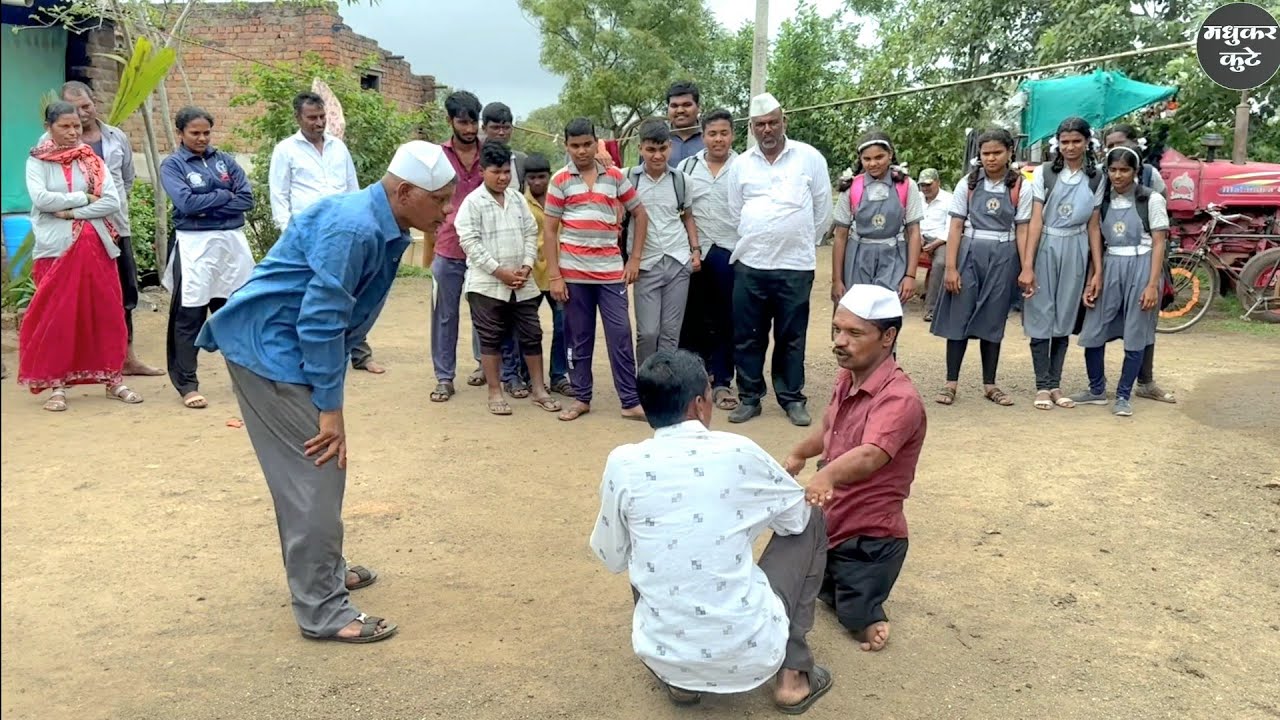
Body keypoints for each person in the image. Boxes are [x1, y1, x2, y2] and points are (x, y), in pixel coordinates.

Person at [195, 141, 457, 643]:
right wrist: (330, 409)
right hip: (272, 349)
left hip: (284, 345)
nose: (446, 211)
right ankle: (324, 610)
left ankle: (324, 572)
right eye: (441, 200)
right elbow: (319, 322)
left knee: (315, 475)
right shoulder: (354, 226)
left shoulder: (380, 219)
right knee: (314, 474)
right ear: (405, 192)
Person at [589, 349, 834, 714]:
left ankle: (681, 682)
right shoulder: (737, 450)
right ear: (700, 404)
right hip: (751, 650)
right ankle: (794, 675)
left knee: (644, 545)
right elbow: (795, 520)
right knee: (811, 517)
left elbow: (611, 556)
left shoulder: (623, 463)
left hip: (663, 657)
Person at [784, 284, 926, 653]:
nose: (840, 341)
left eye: (854, 333)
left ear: (888, 337)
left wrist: (826, 474)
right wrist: (800, 453)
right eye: (837, 330)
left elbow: (870, 455)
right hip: (833, 519)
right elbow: (830, 429)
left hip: (870, 535)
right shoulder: (846, 377)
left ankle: (871, 619)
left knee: (854, 612)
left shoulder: (900, 398)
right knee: (815, 589)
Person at [18, 101, 141, 410]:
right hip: (55, 249)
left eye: (76, 127)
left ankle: (112, 379)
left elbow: (112, 201)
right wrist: (86, 197)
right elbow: (42, 199)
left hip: (97, 248)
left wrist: (72, 212)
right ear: (49, 128)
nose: (73, 132)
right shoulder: (38, 162)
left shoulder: (92, 160)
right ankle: (57, 384)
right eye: (65, 127)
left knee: (106, 314)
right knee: (57, 316)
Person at [725, 92, 831, 426]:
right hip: (751, 264)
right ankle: (749, 397)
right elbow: (734, 212)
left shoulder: (809, 158)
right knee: (748, 335)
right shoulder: (740, 164)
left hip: (796, 267)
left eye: (773, 122)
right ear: (752, 128)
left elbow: (823, 209)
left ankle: (791, 398)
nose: (767, 129)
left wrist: (800, 243)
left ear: (784, 121)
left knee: (791, 336)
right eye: (760, 124)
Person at [269, 91, 384, 375]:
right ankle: (305, 356)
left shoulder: (338, 148)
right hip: (305, 235)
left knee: (350, 291)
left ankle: (359, 352)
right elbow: (279, 195)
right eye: (312, 118)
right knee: (307, 294)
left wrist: (360, 223)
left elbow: (352, 188)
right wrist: (289, 233)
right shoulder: (286, 150)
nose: (319, 123)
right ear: (298, 118)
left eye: (322, 117)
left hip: (342, 233)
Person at [544, 118, 649, 422]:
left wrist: (634, 259)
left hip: (610, 272)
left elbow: (640, 215)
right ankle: (581, 397)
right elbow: (550, 231)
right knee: (579, 337)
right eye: (575, 145)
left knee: (620, 334)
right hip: (573, 274)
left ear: (596, 142)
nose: (581, 151)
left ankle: (629, 401)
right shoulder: (560, 180)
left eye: (587, 144)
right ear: (567, 146)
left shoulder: (615, 176)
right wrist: (555, 276)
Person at [59, 81, 163, 377]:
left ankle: (127, 358)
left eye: (86, 106)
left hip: (117, 228)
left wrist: (110, 207)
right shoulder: (58, 144)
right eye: (75, 109)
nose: (82, 113)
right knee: (78, 295)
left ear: (95, 102)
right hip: (75, 231)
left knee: (125, 293)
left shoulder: (116, 137)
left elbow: (126, 179)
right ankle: (80, 363)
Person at [454, 140, 560, 416]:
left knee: (532, 334)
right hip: (487, 283)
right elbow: (469, 242)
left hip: (522, 283)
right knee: (491, 338)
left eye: (506, 172)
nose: (502, 177)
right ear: (482, 171)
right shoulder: (472, 203)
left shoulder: (516, 199)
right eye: (495, 172)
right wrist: (499, 271)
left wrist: (526, 266)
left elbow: (529, 232)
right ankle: (494, 392)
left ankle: (538, 389)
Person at [159, 106, 255, 410]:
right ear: (180, 133)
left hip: (230, 246)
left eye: (206, 132)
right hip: (194, 247)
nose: (202, 138)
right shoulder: (172, 165)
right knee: (189, 317)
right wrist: (225, 196)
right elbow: (185, 203)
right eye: (195, 133)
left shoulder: (225, 160)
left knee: (235, 314)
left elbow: (247, 199)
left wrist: (210, 202)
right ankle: (187, 383)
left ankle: (247, 380)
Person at [929, 128, 1032, 407]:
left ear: (1010, 152)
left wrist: (1026, 268)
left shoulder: (1020, 186)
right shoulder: (969, 183)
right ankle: (951, 383)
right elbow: (956, 225)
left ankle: (990, 384)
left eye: (997, 152)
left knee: (993, 317)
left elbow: (1023, 229)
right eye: (985, 153)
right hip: (970, 252)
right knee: (958, 317)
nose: (991, 158)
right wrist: (951, 267)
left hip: (1004, 255)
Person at [1071, 145, 1169, 417]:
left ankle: (1124, 394)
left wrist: (1152, 284)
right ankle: (1096, 389)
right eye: (1112, 169)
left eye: (1124, 170)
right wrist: (1095, 276)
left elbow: (1159, 242)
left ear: (1136, 171)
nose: (1118, 175)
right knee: (1093, 328)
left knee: (1137, 331)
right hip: (1111, 264)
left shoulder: (1150, 200)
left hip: (1142, 264)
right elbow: (1097, 241)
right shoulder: (1103, 201)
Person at [1021, 117, 1104, 410]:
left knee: (1064, 316)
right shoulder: (1045, 173)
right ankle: (1042, 385)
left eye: (1076, 141)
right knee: (1040, 313)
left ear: (1087, 143)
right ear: (1058, 144)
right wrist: (1028, 265)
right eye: (1065, 142)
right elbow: (1035, 219)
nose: (1070, 147)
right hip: (1046, 244)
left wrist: (1097, 270)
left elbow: (1094, 226)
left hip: (1077, 246)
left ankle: (1056, 384)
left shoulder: (1096, 177)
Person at [1103, 124, 1175, 405]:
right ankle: (1101, 384)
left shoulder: (1150, 176)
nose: (1113, 148)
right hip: (1114, 257)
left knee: (1144, 321)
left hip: (1145, 255)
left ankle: (1145, 380)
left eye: (1119, 142)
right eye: (1108, 144)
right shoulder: (1105, 176)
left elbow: (1157, 222)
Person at [677, 109, 739, 411]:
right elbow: (681, 210)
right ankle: (695, 381)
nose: (718, 139)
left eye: (723, 133)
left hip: (731, 252)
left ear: (733, 135)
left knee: (728, 318)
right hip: (696, 251)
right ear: (703, 136)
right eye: (712, 133)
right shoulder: (687, 167)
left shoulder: (744, 167)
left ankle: (724, 381)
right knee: (693, 318)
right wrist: (691, 248)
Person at [628, 119, 699, 367]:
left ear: (670, 147)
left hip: (678, 261)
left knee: (670, 334)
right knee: (647, 333)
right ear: (640, 149)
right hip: (645, 264)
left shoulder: (681, 181)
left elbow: (688, 217)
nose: (657, 156)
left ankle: (666, 385)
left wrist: (695, 251)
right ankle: (646, 382)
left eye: (662, 149)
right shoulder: (629, 180)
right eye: (650, 150)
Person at [430, 91, 484, 403]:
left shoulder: (490, 154)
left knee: (485, 311)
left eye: (473, 121)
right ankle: (444, 377)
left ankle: (483, 366)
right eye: (462, 122)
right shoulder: (436, 156)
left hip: (483, 249)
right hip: (448, 246)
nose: (469, 128)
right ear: (450, 121)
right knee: (444, 315)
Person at [831, 130, 923, 302]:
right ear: (861, 159)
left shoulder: (906, 185)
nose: (873, 163)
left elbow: (914, 232)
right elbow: (841, 236)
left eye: (879, 157)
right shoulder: (852, 187)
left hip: (894, 256)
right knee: (856, 311)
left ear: (890, 155)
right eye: (867, 159)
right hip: (858, 256)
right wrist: (837, 279)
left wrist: (910, 275)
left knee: (886, 312)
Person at [917, 168, 953, 322]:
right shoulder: (917, 198)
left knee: (940, 263)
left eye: (928, 185)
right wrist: (917, 235)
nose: (925, 188)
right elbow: (910, 220)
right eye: (922, 185)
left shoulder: (949, 199)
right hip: (917, 237)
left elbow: (951, 228)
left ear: (938, 183)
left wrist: (936, 243)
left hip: (940, 240)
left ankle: (931, 308)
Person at [665, 81, 705, 167]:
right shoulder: (656, 138)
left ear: (699, 107)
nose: (680, 110)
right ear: (667, 109)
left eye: (687, 105)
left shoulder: (712, 138)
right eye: (674, 106)